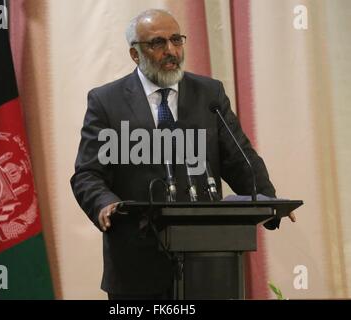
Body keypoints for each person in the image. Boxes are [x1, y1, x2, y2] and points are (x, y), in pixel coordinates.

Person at [70, 9, 296, 300]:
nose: (171, 50)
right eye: (158, 43)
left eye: (177, 40)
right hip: (136, 262)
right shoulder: (106, 101)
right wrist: (104, 202)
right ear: (135, 54)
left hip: (208, 260)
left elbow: (239, 158)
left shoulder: (209, 93)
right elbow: (88, 174)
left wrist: (267, 200)